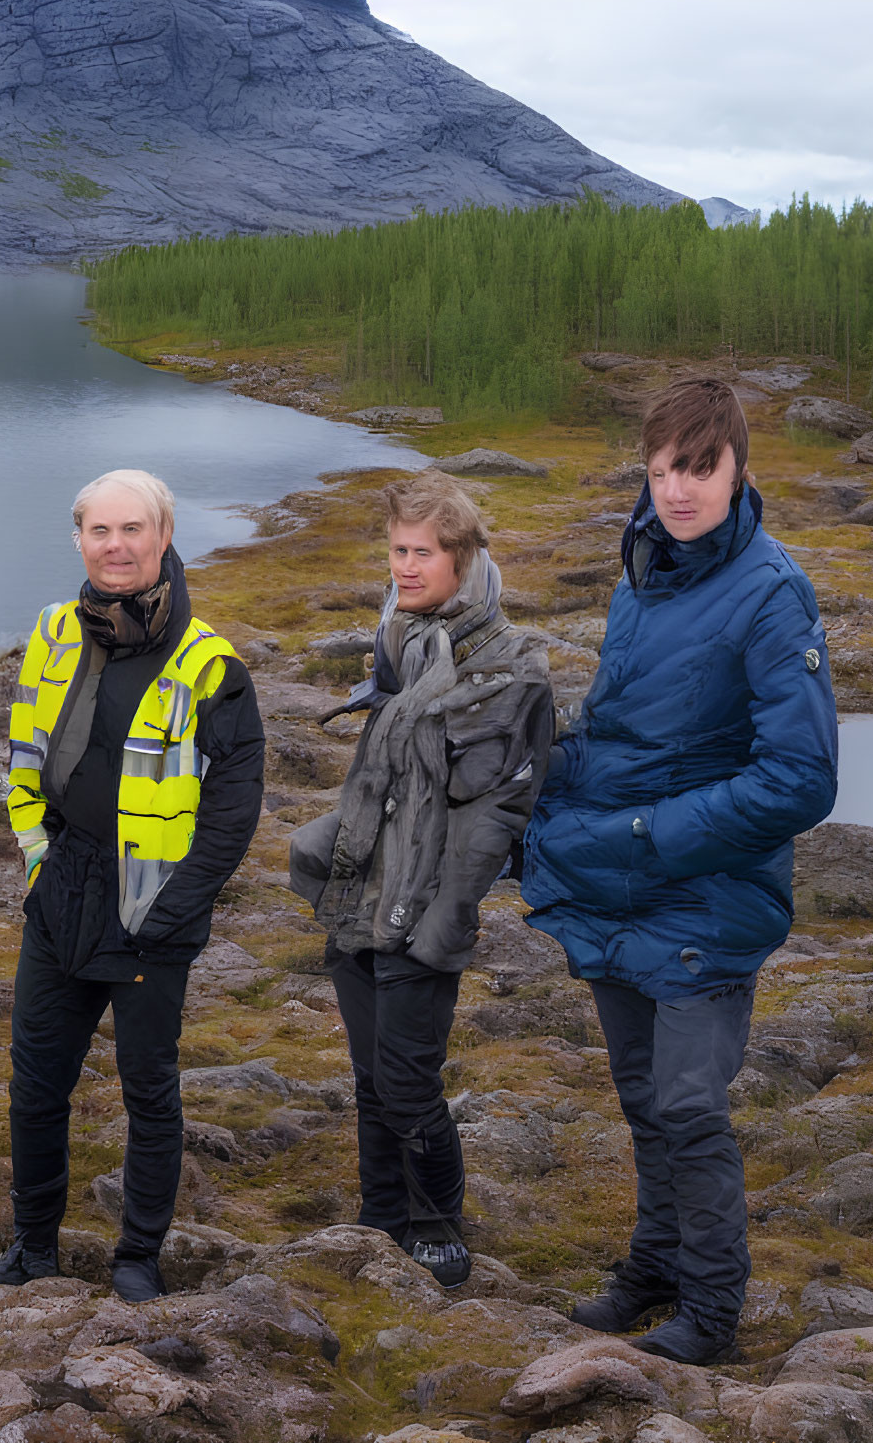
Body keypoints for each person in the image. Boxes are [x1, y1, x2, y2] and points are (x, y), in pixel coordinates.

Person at [521, 378, 838, 1364]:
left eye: (697, 468)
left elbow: (801, 779)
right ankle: (653, 1272)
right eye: (661, 470)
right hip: (621, 887)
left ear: (737, 466)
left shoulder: (773, 593)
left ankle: (709, 1314)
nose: (678, 489)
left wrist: (648, 834)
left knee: (692, 1106)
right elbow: (619, 739)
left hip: (707, 895)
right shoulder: (641, 577)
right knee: (645, 1100)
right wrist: (534, 767)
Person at [0, 470, 264, 1308]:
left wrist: (174, 905)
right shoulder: (56, 632)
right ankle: (31, 1249)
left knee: (147, 1088)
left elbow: (233, 810)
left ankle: (138, 1256)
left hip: (151, 909)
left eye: (133, 530)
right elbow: (21, 760)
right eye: (100, 531)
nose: (116, 546)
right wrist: (35, 865)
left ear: (164, 539)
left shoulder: (210, 666)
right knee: (35, 1082)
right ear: (79, 540)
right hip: (62, 893)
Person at [288, 473, 555, 1288]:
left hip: (425, 904)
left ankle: (437, 1222)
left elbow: (492, 816)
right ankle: (381, 1215)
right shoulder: (399, 639)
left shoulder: (511, 667)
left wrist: (448, 915)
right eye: (398, 550)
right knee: (372, 1076)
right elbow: (382, 775)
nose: (406, 566)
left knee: (408, 1080)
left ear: (464, 557)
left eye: (423, 552)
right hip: (362, 892)